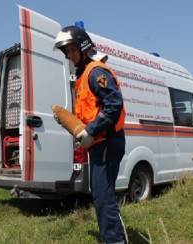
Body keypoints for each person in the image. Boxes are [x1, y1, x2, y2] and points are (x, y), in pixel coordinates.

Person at [54, 25, 128, 243]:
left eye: (71, 50)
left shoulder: (95, 72)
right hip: (100, 143)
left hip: (107, 141)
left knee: (104, 198)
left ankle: (115, 241)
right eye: (66, 52)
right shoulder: (84, 75)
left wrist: (91, 131)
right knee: (100, 195)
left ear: (83, 47)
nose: (69, 55)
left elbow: (114, 105)